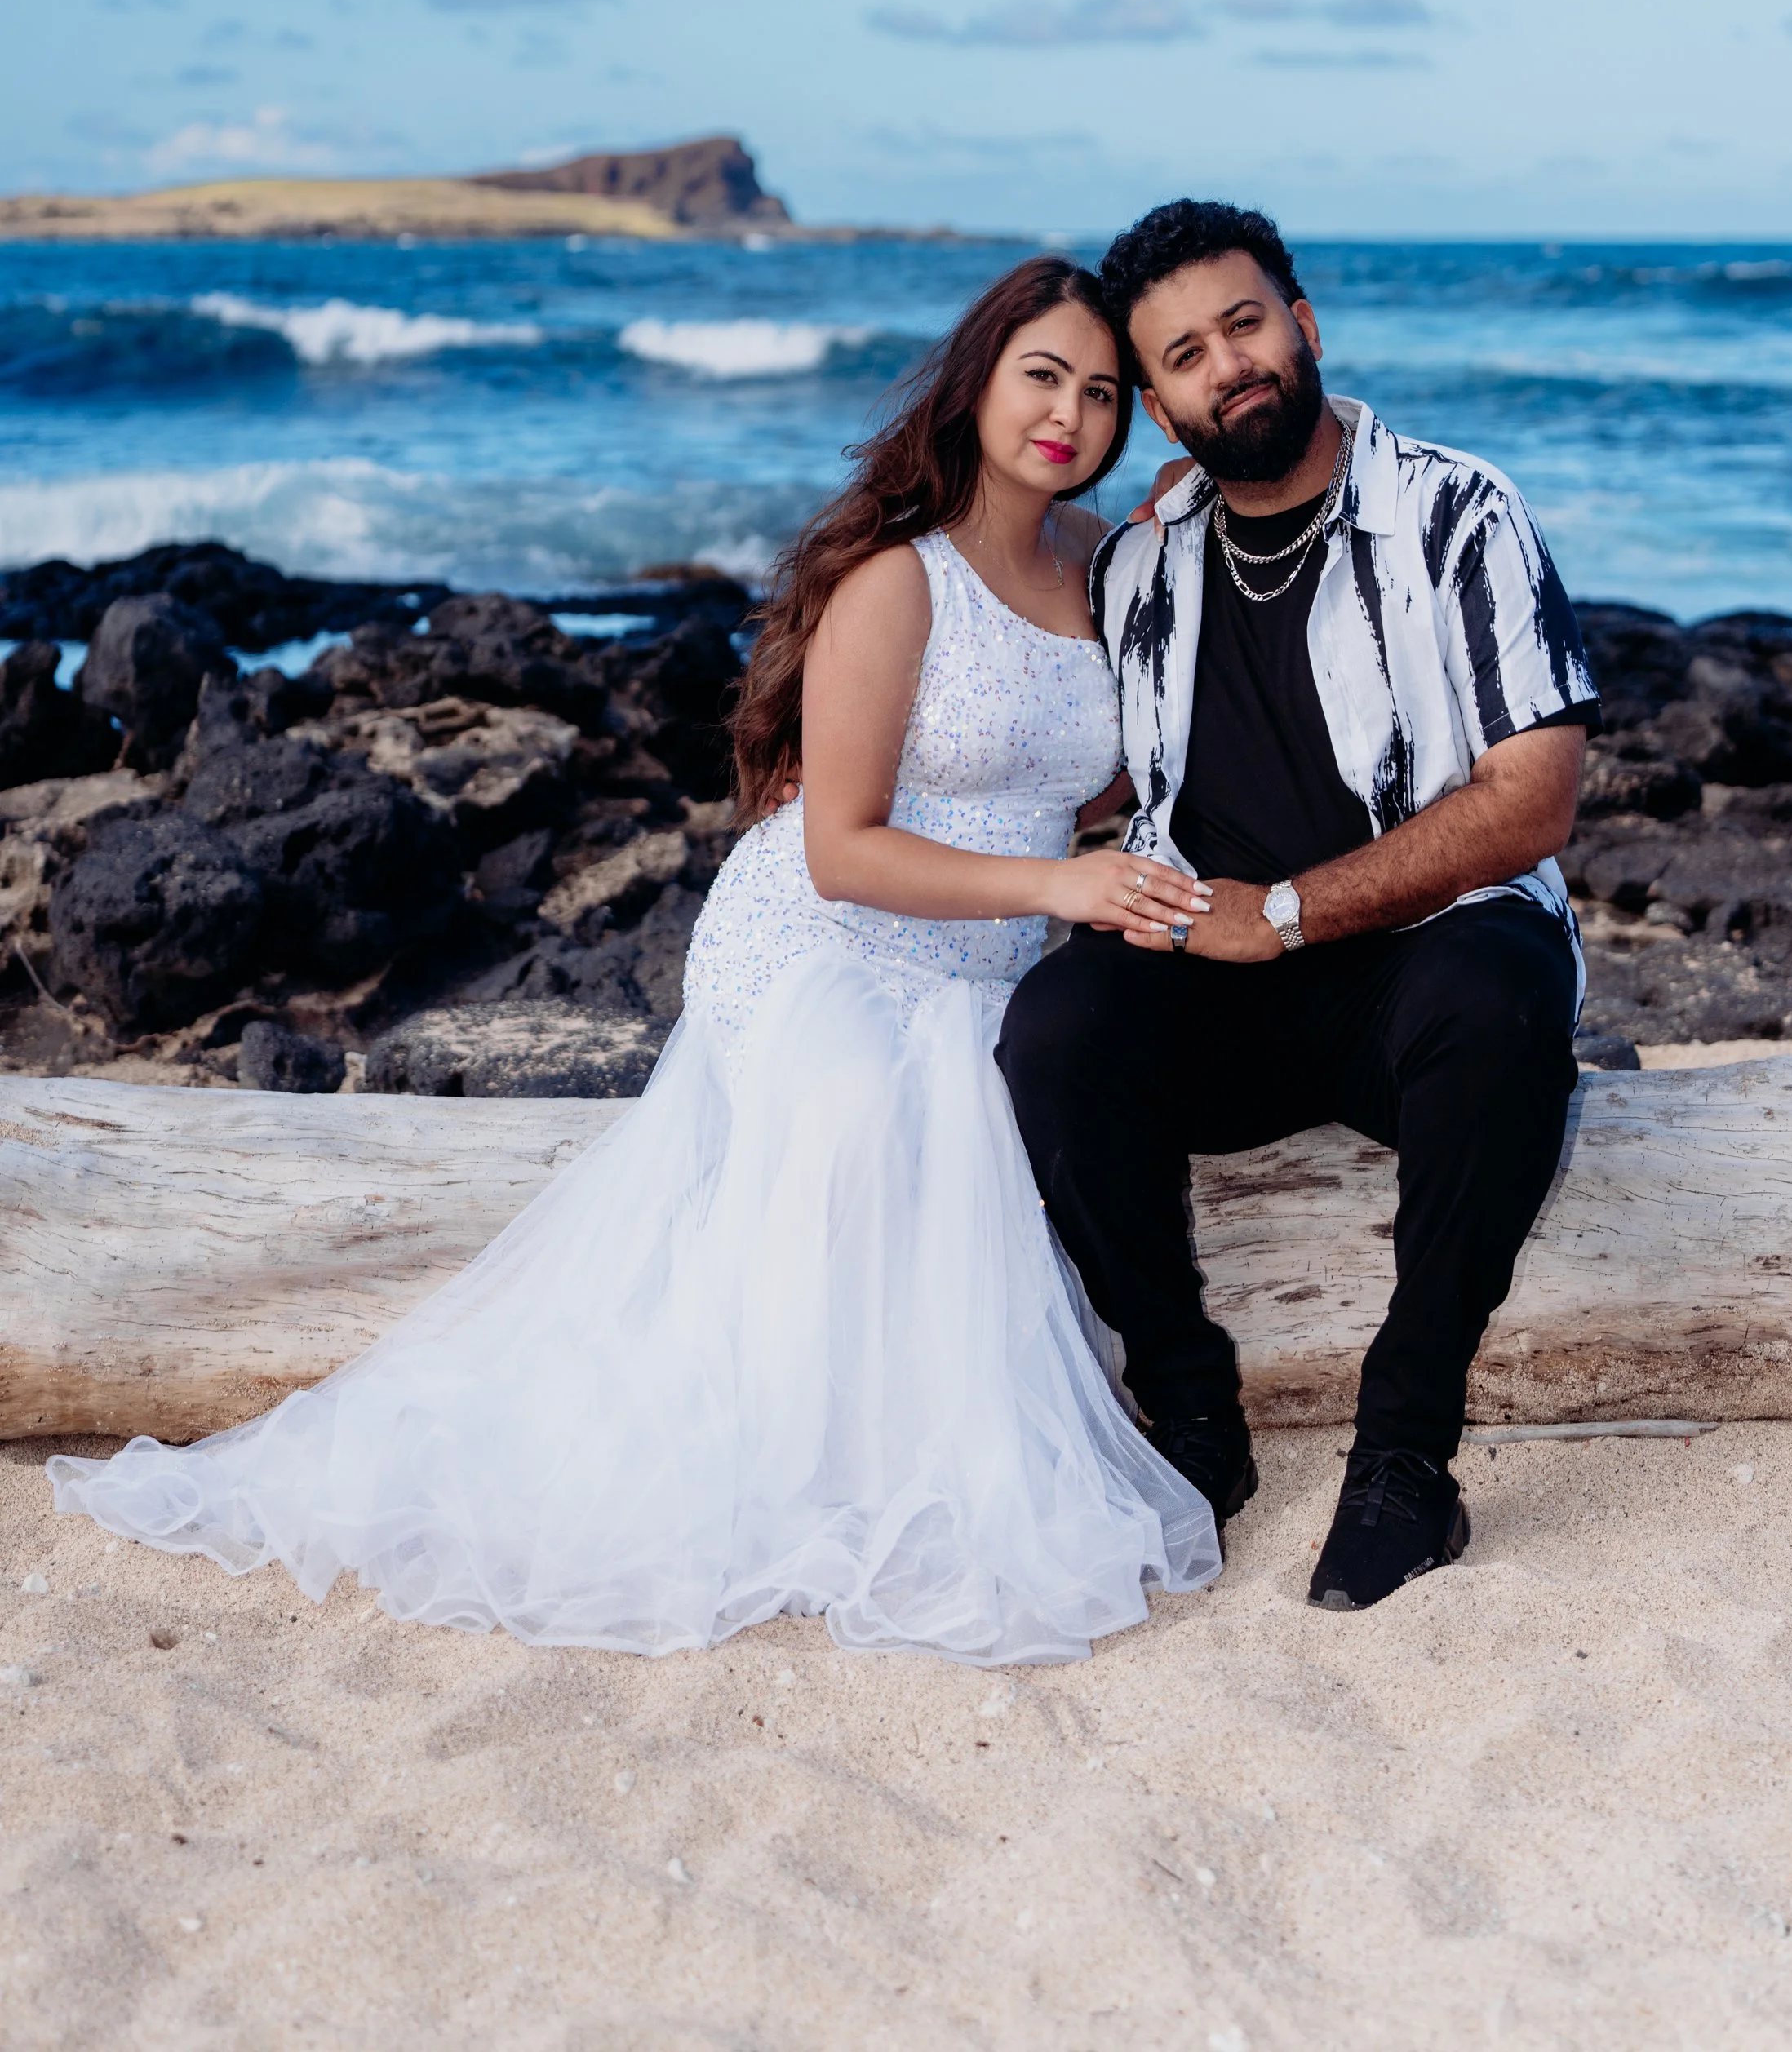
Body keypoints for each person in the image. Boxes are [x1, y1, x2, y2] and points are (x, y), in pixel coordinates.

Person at [50, 259, 1221, 1668]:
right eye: (1044, 375)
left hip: (990, 945)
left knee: (1001, 1124)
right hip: (830, 934)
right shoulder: (895, 586)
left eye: (1102, 392)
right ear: (977, 382)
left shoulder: (1103, 566)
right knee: (876, 1126)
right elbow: (842, 845)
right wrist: (1062, 883)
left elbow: (1070, 767)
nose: (1071, 413)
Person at [996, 202, 1602, 1612]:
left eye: (1247, 324)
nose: (1232, 367)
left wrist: (1278, 912)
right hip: (1216, 986)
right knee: (1057, 1029)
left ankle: (1406, 1460)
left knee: (1504, 993)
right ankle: (1195, 1417)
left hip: (1423, 968)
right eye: (1187, 355)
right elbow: (1096, 776)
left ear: (1305, 324)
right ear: (1157, 406)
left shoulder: (1459, 510)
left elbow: (1534, 797)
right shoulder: (1139, 564)